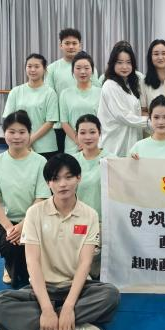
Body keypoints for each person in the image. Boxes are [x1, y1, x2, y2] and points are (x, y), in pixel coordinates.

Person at [0, 154, 120, 330]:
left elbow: (85, 263)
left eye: (68, 177)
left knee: (110, 295)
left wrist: (68, 307)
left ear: (79, 178)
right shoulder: (34, 213)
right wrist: (46, 309)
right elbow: (32, 262)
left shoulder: (90, 215)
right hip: (41, 289)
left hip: (76, 288)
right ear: (48, 183)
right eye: (55, 179)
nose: (62, 184)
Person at [0, 111, 50, 288]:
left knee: (33, 257)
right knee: (12, 247)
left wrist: (24, 225)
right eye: (11, 132)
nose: (17, 137)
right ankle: (9, 265)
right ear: (4, 133)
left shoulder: (40, 162)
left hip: (35, 219)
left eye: (22, 132)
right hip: (6, 223)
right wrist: (10, 228)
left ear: (29, 133)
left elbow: (41, 198)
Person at [45, 28, 99, 153]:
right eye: (67, 43)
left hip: (89, 127)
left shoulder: (91, 68)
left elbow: (96, 90)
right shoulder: (52, 68)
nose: (71, 46)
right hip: (61, 125)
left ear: (80, 45)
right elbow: (50, 97)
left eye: (74, 43)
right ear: (61, 45)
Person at [71, 114, 110, 278]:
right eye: (83, 132)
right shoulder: (70, 162)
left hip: (104, 222)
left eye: (92, 132)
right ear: (76, 135)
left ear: (100, 133)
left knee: (95, 269)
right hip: (77, 221)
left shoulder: (111, 159)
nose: (88, 137)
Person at [3, 53, 59, 159]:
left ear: (45, 70)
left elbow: (50, 122)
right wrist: (22, 140)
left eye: (37, 66)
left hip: (45, 147)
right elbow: (8, 120)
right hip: (19, 144)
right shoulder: (16, 91)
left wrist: (30, 140)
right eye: (29, 66)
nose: (33, 70)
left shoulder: (50, 93)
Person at [97, 41, 146, 157]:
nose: (124, 67)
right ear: (112, 64)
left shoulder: (131, 84)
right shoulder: (110, 85)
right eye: (119, 62)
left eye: (128, 62)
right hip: (114, 144)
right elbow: (123, 116)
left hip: (130, 141)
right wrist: (149, 122)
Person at [58, 52, 101, 155]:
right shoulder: (65, 93)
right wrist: (78, 141)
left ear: (92, 70)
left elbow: (103, 121)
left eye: (86, 68)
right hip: (73, 146)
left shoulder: (101, 93)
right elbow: (64, 122)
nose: (82, 72)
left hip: (95, 144)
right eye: (78, 68)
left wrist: (90, 141)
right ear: (73, 70)